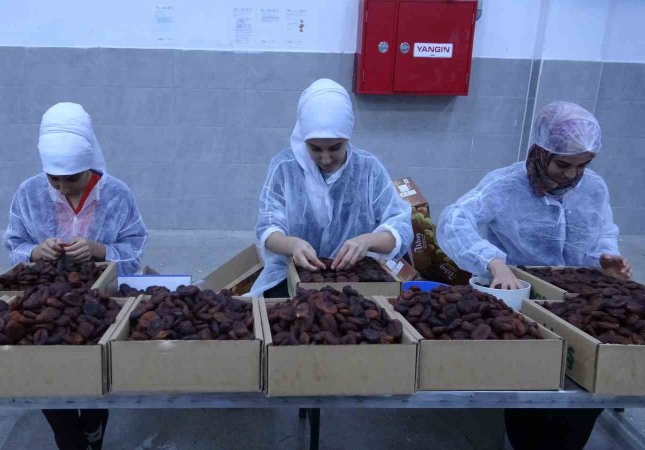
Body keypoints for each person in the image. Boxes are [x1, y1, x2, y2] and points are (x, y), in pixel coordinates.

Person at [437, 101, 632, 450]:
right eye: (563, 164)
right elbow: (454, 221)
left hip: (580, 306)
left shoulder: (594, 188)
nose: (572, 175)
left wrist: (606, 257)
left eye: (582, 165)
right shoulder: (506, 185)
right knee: (532, 392)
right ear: (541, 152)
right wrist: (493, 261)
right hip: (520, 300)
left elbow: (603, 231)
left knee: (582, 395)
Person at [3, 102, 148, 450]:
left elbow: (135, 249)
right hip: (44, 304)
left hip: (101, 302)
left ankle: (94, 424)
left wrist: (100, 250)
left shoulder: (116, 194)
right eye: (54, 179)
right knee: (46, 371)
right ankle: (69, 438)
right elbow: (14, 243)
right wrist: (35, 252)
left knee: (96, 370)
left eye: (72, 178)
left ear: (89, 166)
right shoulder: (29, 193)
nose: (63, 187)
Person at [249, 78, 413, 297]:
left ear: (347, 137)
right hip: (292, 277)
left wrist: (366, 241)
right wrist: (292, 245)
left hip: (355, 281)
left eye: (335, 147)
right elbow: (268, 229)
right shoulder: (285, 168)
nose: (326, 159)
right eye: (315, 148)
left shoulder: (368, 169)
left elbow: (400, 228)